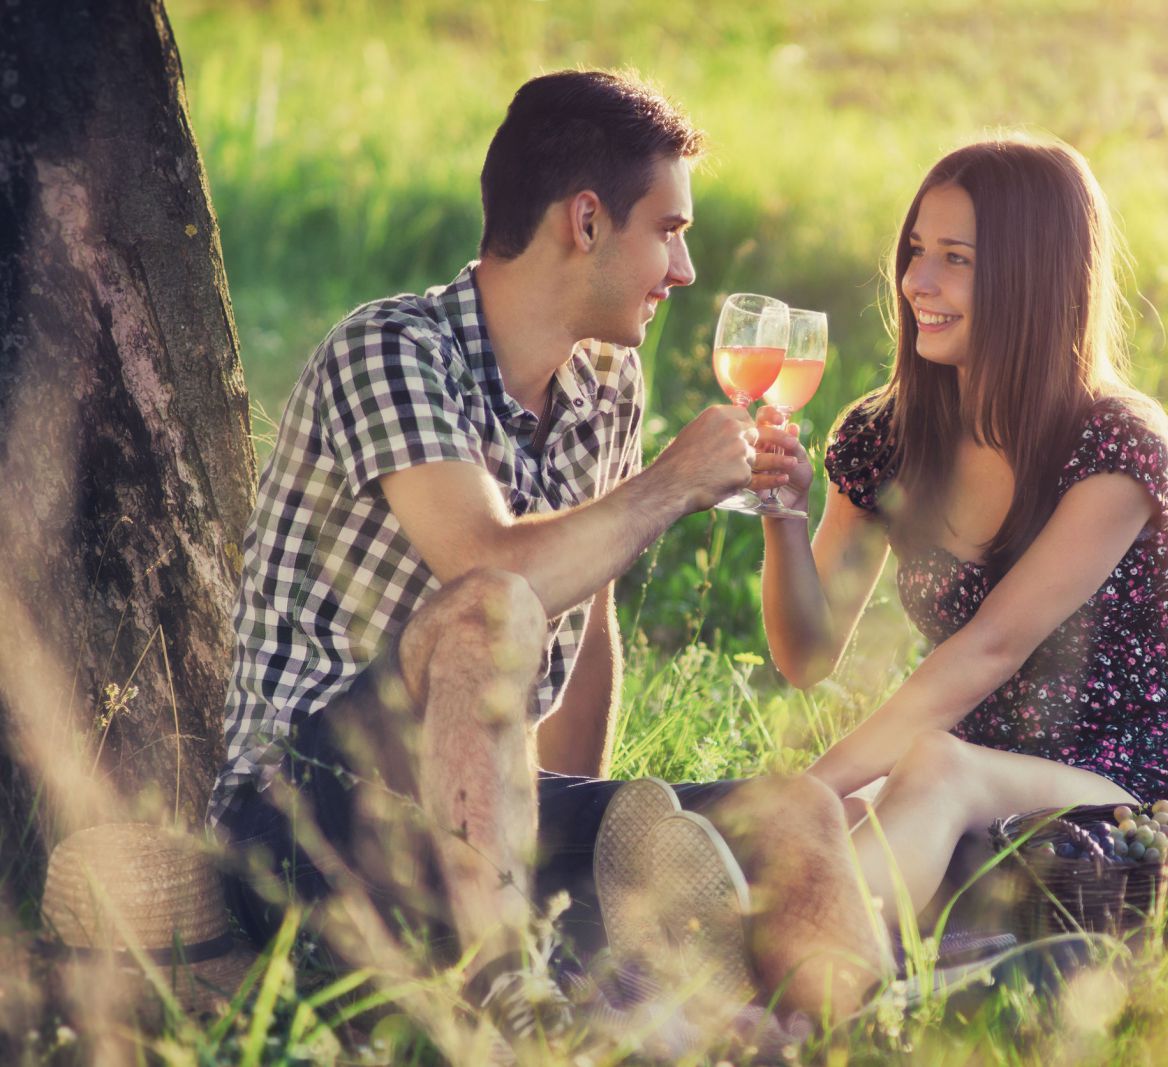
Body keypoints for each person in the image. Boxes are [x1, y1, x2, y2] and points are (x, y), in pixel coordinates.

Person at [207, 69, 883, 1050]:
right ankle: (514, 996)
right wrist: (672, 481)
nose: (684, 268)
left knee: (799, 812)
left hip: (484, 830)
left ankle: (840, 1038)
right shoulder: (391, 349)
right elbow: (488, 572)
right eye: (669, 230)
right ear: (586, 221)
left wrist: (593, 828)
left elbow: (589, 619)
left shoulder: (608, 377)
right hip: (309, 807)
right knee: (492, 603)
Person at [757, 136, 1168, 927]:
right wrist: (784, 518)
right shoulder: (886, 437)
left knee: (916, 773)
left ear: (1031, 276)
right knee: (855, 812)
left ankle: (813, 956)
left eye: (956, 259)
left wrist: (811, 787)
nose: (917, 282)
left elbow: (990, 649)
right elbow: (806, 658)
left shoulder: (1114, 446)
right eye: (916, 250)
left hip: (1128, 797)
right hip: (976, 778)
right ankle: (714, 955)